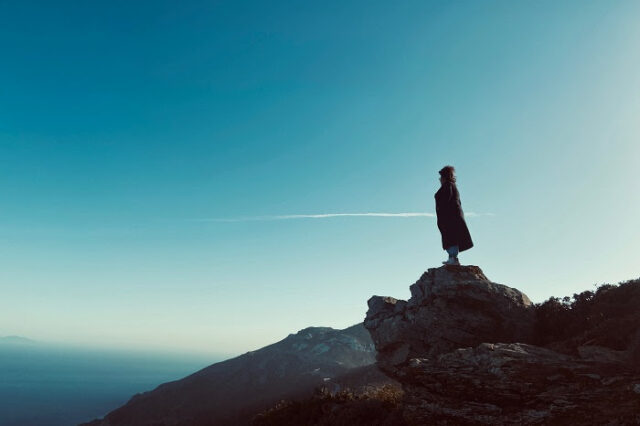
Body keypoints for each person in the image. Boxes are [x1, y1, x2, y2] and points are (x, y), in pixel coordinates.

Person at [434, 165, 473, 265]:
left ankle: (453, 258)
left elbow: (445, 201)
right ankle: (452, 258)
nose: (439, 179)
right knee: (450, 237)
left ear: (444, 177)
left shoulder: (448, 186)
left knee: (451, 237)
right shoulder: (450, 186)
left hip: (450, 218)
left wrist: (443, 213)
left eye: (441, 177)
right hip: (450, 217)